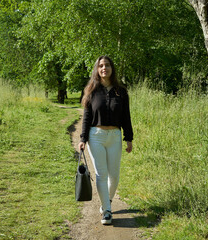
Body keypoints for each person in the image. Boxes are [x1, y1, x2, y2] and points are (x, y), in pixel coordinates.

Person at [78, 55, 133, 225]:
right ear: (97, 69)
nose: (104, 68)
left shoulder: (121, 91)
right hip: (96, 137)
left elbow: (126, 116)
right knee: (101, 174)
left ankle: (106, 202)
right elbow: (87, 117)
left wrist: (129, 138)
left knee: (114, 176)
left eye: (107, 65)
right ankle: (107, 211)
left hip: (115, 137)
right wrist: (83, 138)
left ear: (111, 68)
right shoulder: (91, 91)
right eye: (101, 66)